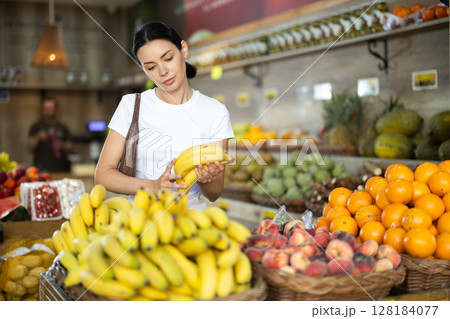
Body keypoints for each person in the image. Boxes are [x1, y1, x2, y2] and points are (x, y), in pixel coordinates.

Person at [95, 22, 234, 209]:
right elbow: (102, 175)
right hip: (140, 222)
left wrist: (205, 178)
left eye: (168, 58)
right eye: (151, 67)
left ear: (183, 49)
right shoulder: (131, 105)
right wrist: (152, 186)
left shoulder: (215, 112)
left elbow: (214, 193)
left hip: (192, 225)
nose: (162, 72)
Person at [28, 97, 72, 172]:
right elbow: (30, 146)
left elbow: (70, 147)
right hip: (40, 169)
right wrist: (38, 137)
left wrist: (61, 145)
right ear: (42, 110)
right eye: (46, 109)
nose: (48, 111)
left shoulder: (63, 127)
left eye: (51, 108)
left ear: (56, 109)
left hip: (60, 169)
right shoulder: (36, 126)